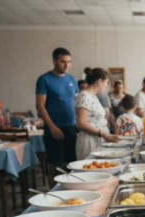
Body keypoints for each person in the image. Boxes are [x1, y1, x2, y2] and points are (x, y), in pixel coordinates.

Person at [36, 47, 79, 183]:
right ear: (54, 61)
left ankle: (70, 193)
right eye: (63, 61)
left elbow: (76, 103)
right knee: (55, 165)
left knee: (71, 164)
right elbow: (40, 105)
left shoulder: (72, 79)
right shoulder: (45, 79)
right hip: (54, 127)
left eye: (69, 62)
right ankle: (52, 197)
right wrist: (52, 126)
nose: (66, 65)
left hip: (71, 127)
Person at [76, 67, 119, 159]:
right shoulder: (84, 96)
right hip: (89, 141)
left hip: (98, 139)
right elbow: (81, 123)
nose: (106, 86)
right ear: (99, 81)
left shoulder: (93, 96)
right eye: (106, 83)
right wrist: (102, 133)